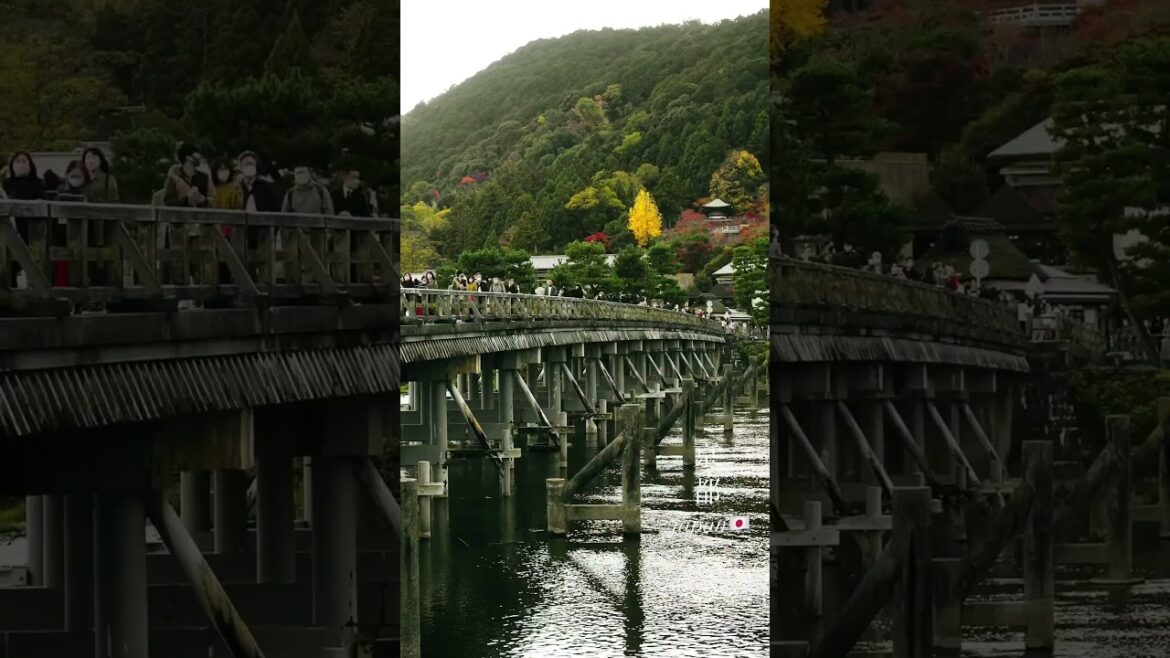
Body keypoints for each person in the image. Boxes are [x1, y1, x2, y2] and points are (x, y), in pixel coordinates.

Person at [164, 143, 213, 208]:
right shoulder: (173, 178)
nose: (199, 156)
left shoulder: (205, 177)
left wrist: (204, 200)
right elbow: (169, 202)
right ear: (188, 157)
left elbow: (213, 199)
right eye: (196, 153)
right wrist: (187, 200)